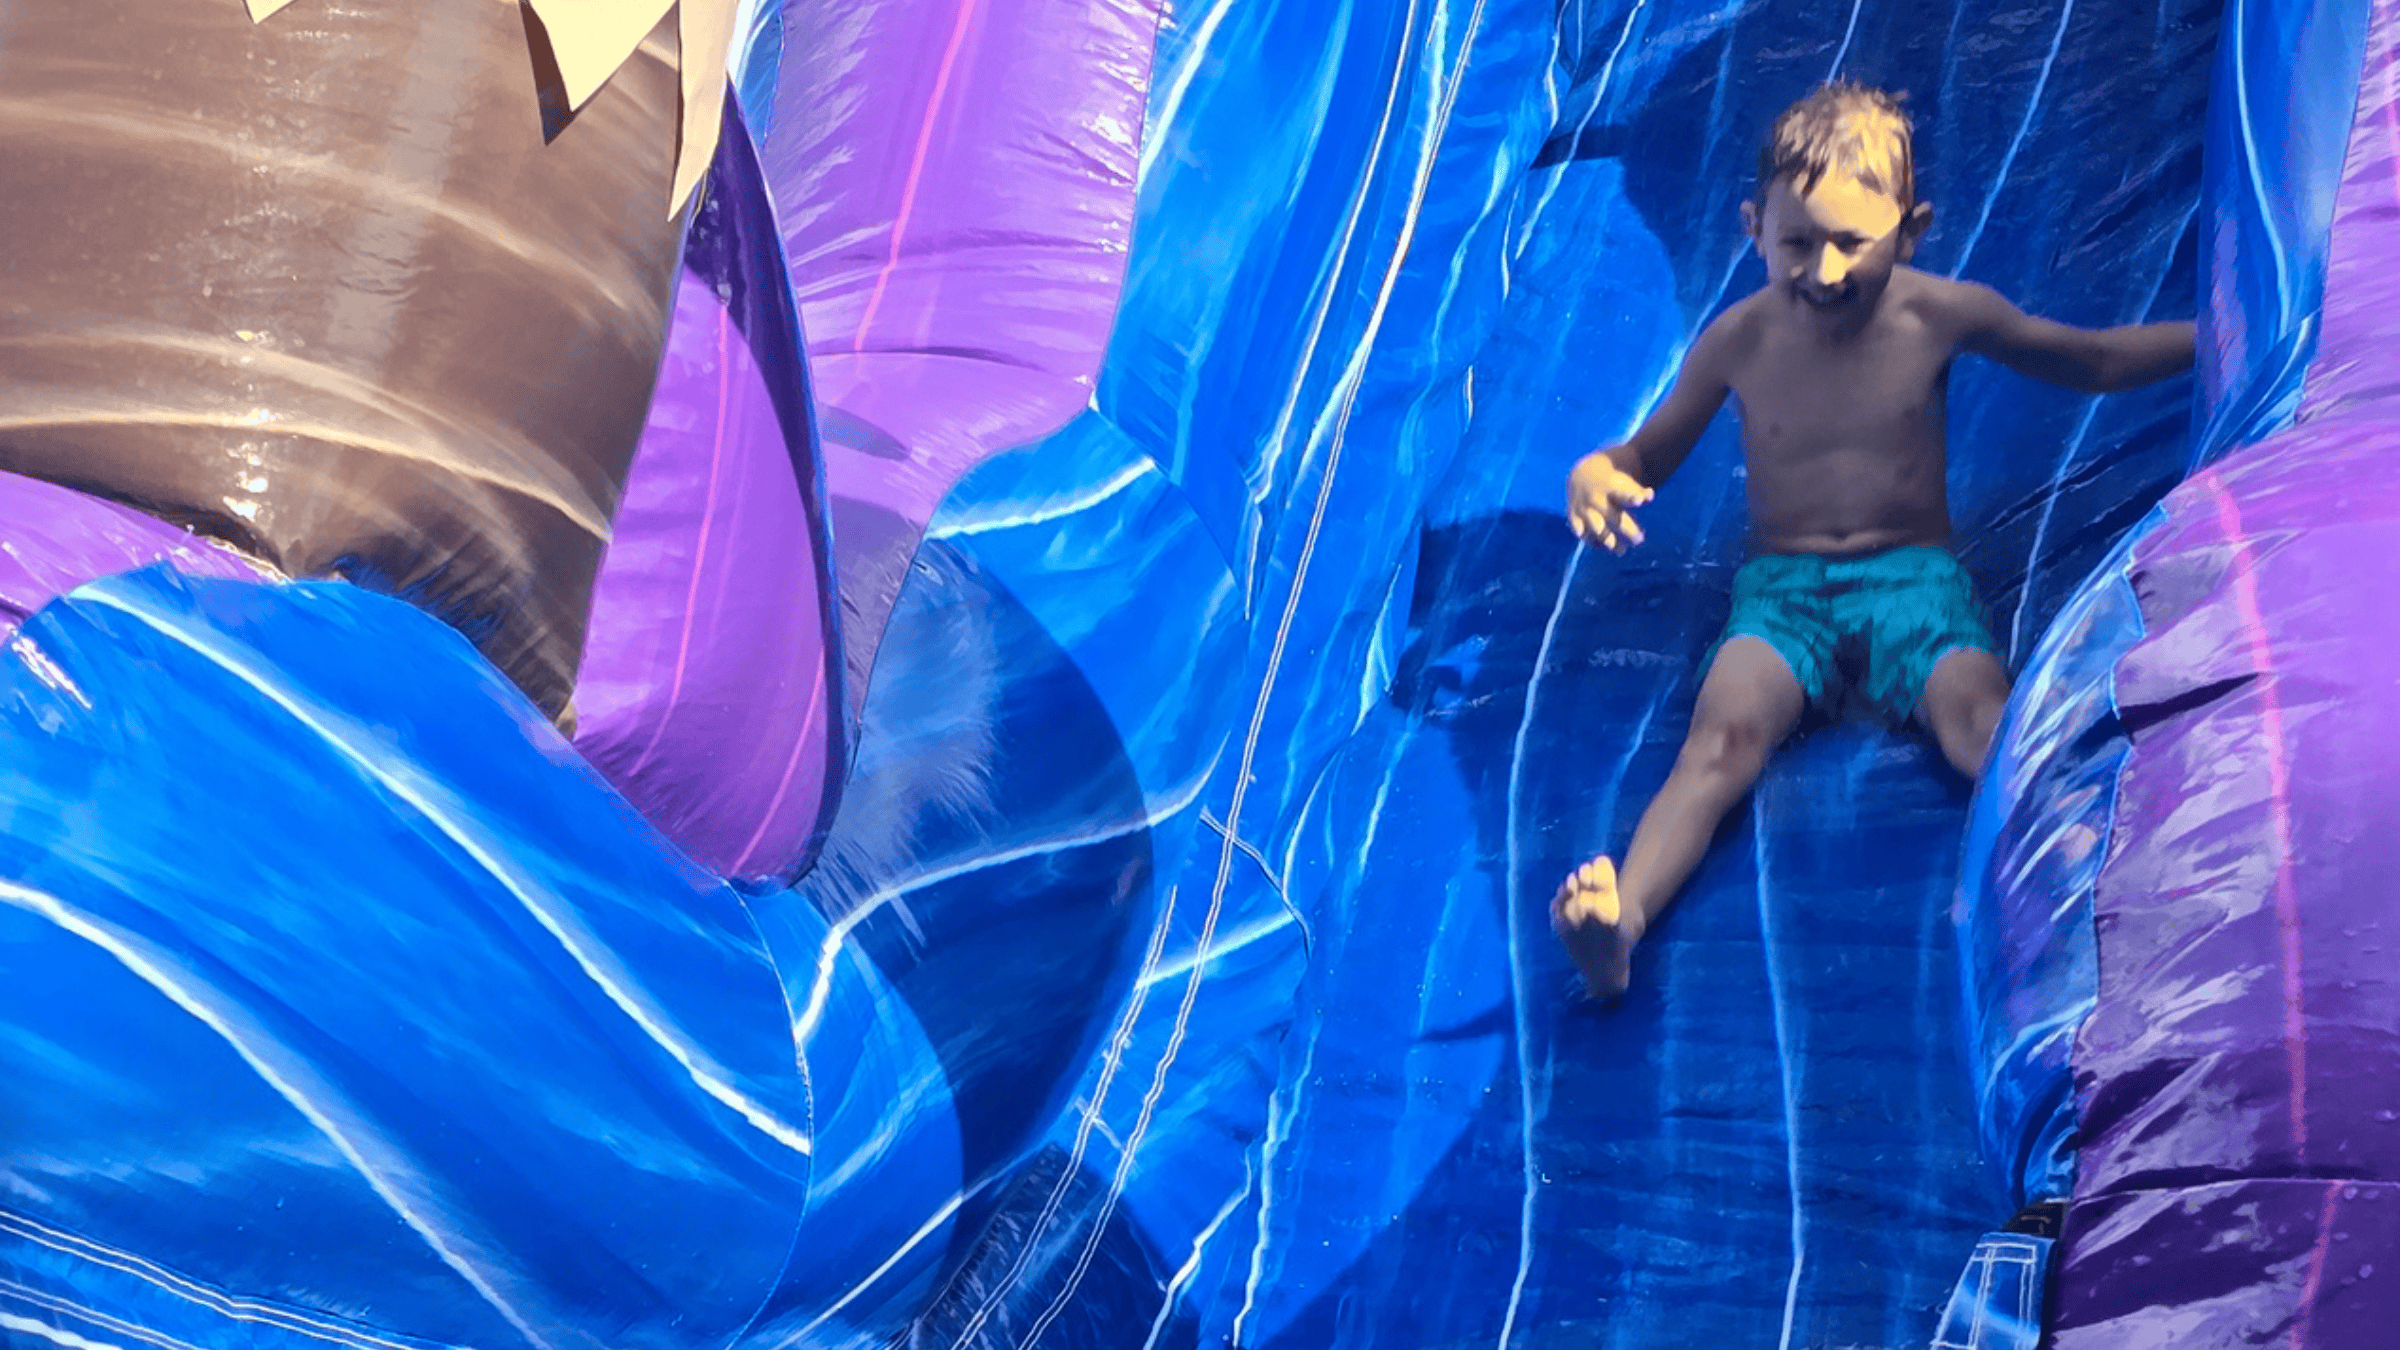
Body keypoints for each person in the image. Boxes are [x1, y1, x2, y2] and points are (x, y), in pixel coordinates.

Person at [1551, 82, 2195, 1001]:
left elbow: (2087, 357)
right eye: (1796, 243)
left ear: (1912, 225)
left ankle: (2090, 869)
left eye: (1853, 241)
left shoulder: (1940, 314)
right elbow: (1649, 453)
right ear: (1752, 229)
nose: (1823, 271)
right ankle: (1625, 926)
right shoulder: (1737, 340)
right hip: (1783, 595)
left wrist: (2216, 332)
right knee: (1721, 739)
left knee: (1982, 718)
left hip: (1914, 586)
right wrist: (1598, 470)